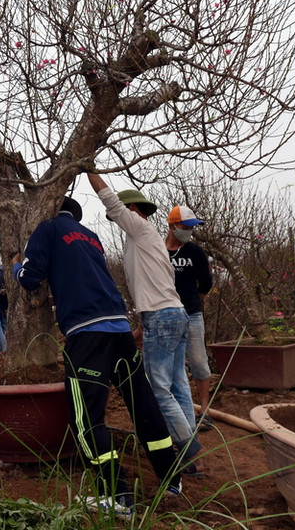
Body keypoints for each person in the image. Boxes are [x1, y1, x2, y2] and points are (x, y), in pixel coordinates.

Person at [14, 196, 181, 516]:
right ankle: (172, 479)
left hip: (87, 334)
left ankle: (116, 495)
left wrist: (14, 266)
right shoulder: (90, 236)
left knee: (87, 419)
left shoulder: (47, 229)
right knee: (143, 404)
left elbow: (30, 278)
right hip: (119, 328)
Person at [86, 172, 205, 476]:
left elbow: (110, 201)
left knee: (159, 389)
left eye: (124, 213)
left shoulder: (140, 228)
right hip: (172, 314)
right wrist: (143, 325)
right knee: (178, 384)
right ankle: (190, 454)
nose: (118, 218)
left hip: (163, 316)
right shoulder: (145, 241)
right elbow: (154, 285)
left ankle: (188, 450)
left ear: (133, 211)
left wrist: (88, 170)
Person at [166, 205, 215, 430]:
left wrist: (194, 300)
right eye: (185, 226)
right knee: (170, 365)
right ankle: (177, 410)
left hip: (191, 314)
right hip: (165, 315)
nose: (188, 231)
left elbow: (206, 282)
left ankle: (204, 410)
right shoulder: (158, 250)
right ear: (172, 225)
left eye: (191, 227)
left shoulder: (195, 252)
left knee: (198, 361)